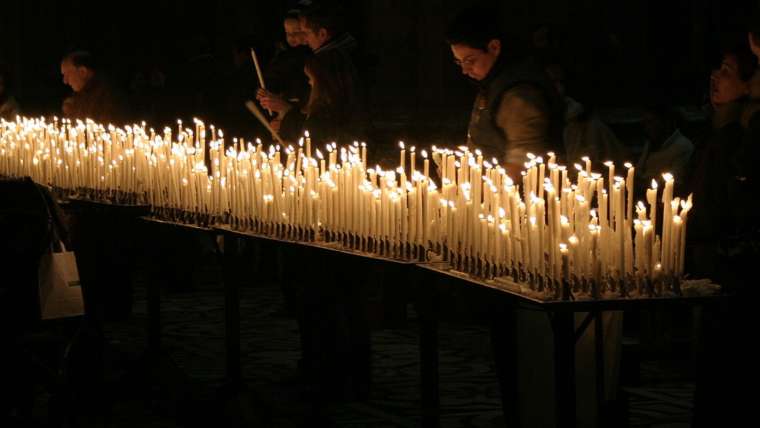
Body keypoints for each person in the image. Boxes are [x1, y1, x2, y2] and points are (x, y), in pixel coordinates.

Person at [445, 6, 563, 174]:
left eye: (470, 60)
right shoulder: (493, 83)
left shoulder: (519, 94)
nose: (465, 70)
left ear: (494, 47)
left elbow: (521, 161)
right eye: (459, 62)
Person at [60, 51, 129, 124]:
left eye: (67, 75)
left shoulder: (107, 95)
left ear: (82, 72)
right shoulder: (80, 96)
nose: (65, 81)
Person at [636, 103, 694, 185]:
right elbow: (638, 171)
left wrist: (644, 181)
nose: (646, 128)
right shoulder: (650, 143)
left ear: (666, 122)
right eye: (645, 123)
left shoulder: (683, 146)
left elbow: (674, 181)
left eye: (651, 122)